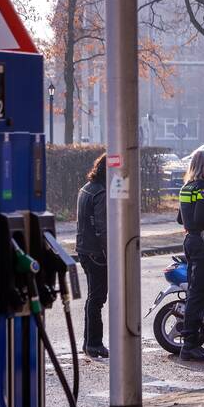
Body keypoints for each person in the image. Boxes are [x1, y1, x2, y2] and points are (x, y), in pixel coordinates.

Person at [177, 150, 204, 362]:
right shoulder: (203, 188)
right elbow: (202, 216)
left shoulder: (186, 187)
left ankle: (190, 340)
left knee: (195, 290)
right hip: (202, 243)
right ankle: (190, 344)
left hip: (190, 241)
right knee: (198, 293)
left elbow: (179, 218)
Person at [76, 153, 109, 359]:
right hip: (97, 252)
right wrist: (110, 253)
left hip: (84, 249)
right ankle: (94, 343)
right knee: (97, 298)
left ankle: (88, 342)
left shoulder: (86, 188)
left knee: (92, 298)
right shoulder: (102, 193)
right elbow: (103, 227)